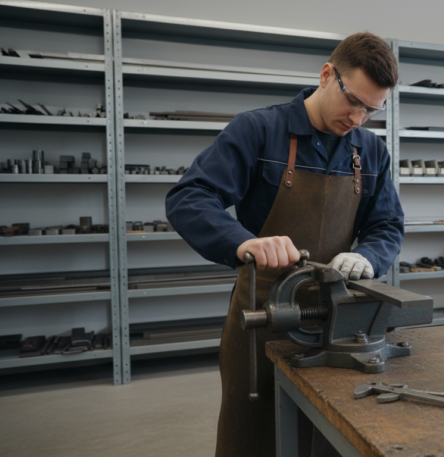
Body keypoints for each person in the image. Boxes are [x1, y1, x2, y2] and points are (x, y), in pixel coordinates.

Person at [165, 32, 403, 457]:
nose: (358, 118)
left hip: (337, 323)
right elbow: (189, 198)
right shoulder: (258, 131)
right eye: (353, 101)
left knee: (331, 436)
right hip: (262, 318)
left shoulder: (370, 152)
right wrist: (243, 242)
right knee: (256, 436)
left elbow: (387, 225)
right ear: (327, 74)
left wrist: (367, 256)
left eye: (372, 109)